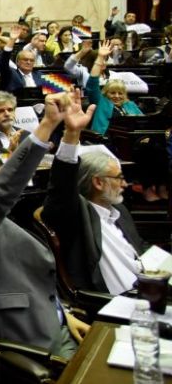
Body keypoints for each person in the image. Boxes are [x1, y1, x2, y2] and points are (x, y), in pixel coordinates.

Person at [0, 92, 89, 359]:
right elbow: (3, 194)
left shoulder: (7, 218)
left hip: (58, 322)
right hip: (34, 343)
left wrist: (63, 316)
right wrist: (46, 126)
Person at [43, 113, 147, 295]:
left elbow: (138, 249)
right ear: (98, 182)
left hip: (147, 288)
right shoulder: (76, 216)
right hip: (109, 304)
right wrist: (72, 133)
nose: (124, 184)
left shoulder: (119, 211)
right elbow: (62, 187)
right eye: (119, 178)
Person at [86, 40, 142, 134]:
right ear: (105, 93)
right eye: (112, 93)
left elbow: (142, 123)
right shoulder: (101, 102)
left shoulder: (130, 105)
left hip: (131, 140)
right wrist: (100, 57)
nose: (117, 96)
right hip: (106, 140)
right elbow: (92, 82)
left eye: (120, 93)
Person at [0, 26, 46, 92]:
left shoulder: (40, 75)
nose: (28, 62)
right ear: (18, 62)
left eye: (31, 60)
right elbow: (2, 63)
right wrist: (12, 40)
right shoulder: (11, 74)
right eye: (25, 60)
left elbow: (59, 88)